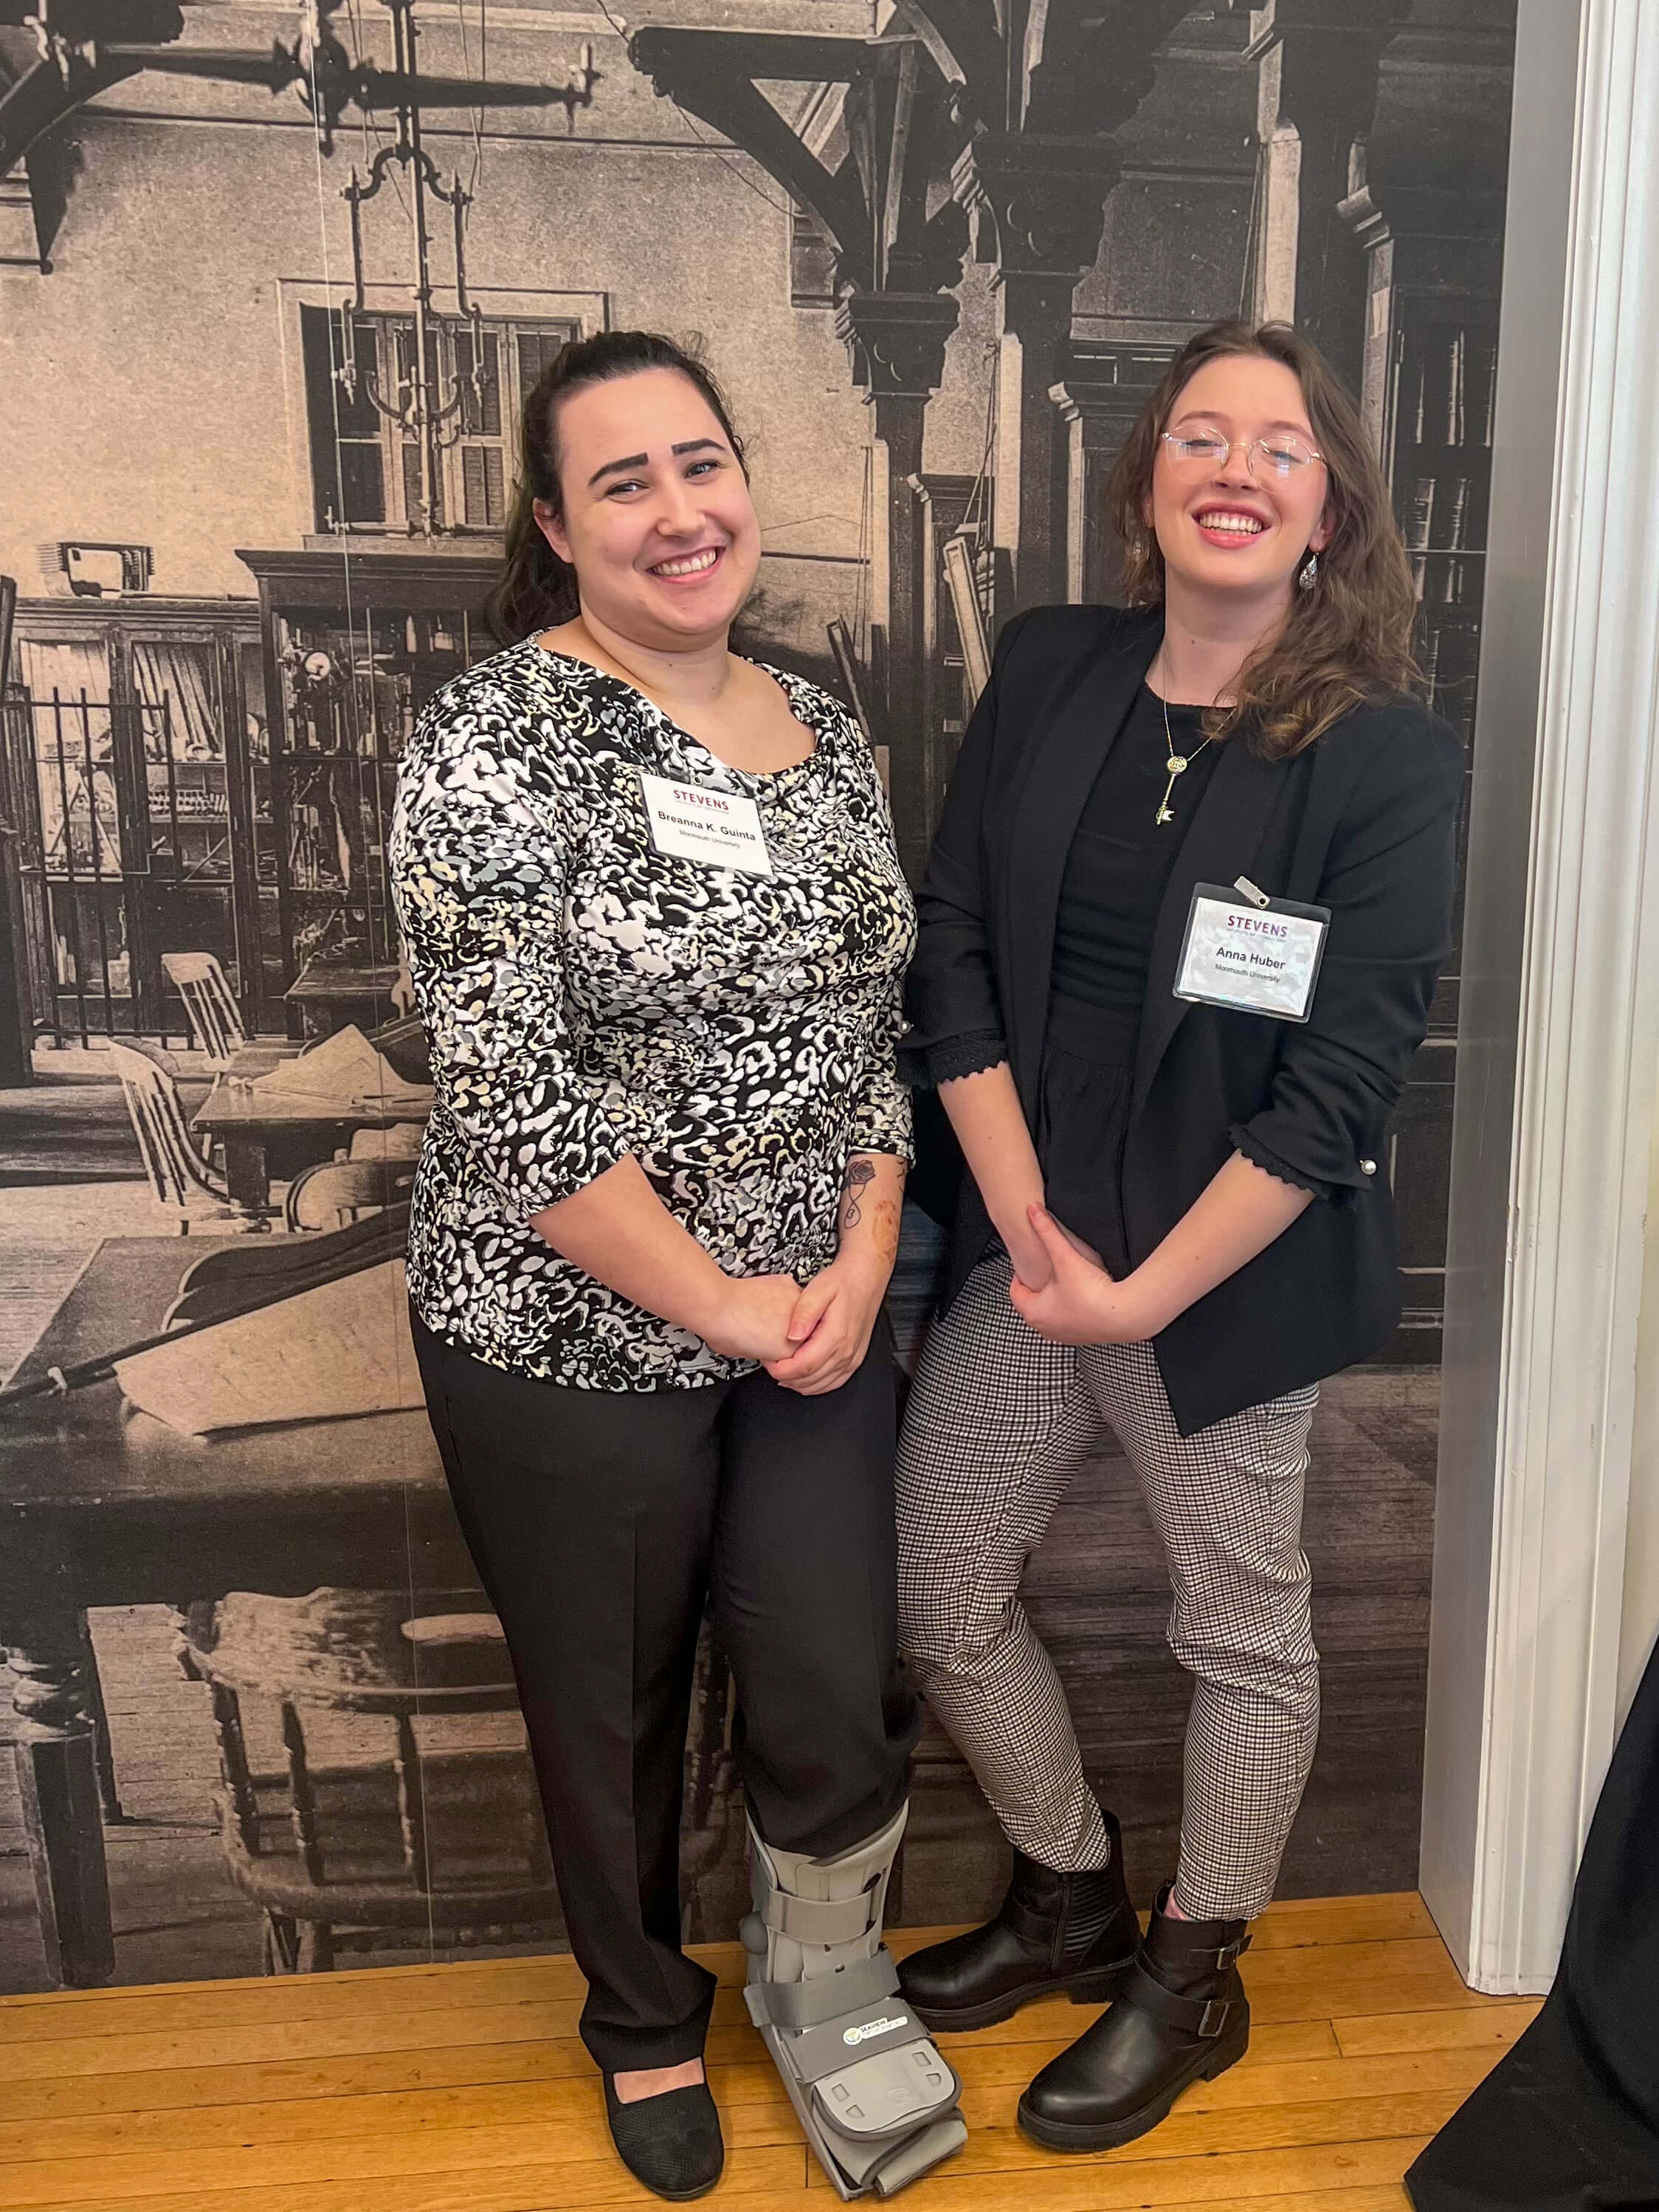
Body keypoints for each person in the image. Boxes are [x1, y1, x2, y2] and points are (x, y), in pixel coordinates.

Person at [389, 331, 965, 2202]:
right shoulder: (488, 740)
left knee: (819, 1665)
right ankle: (640, 2016)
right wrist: (715, 1300)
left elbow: (876, 1025)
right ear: (557, 527)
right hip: (563, 1328)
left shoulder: (825, 727)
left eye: (699, 462)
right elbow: (511, 1099)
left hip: (814, 1320)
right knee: (611, 1699)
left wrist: (864, 1251)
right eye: (621, 480)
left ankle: (822, 1979)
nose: (676, 508)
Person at [893, 319, 1463, 2154]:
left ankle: (1192, 1966)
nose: (1232, 465)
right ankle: (1069, 1888)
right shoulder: (1053, 664)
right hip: (1027, 1238)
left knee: (1241, 1629)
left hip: (1223, 1280)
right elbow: (956, 933)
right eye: (1197, 433)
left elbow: (1332, 1094)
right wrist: (1024, 1220)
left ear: (1327, 512)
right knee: (939, 1581)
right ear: (1146, 482)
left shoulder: (1380, 760)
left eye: (1277, 446)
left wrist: (1132, 1290)